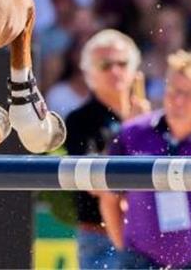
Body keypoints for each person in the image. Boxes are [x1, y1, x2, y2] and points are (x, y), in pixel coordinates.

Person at [101, 51, 191, 268]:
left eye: (188, 93)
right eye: (173, 90)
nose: (178, 100)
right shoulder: (132, 133)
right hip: (139, 259)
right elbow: (109, 198)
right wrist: (123, 248)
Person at [64, 29, 151, 270]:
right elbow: (93, 180)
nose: (115, 71)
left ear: (135, 69)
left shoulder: (149, 118)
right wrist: (132, 131)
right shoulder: (79, 120)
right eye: (105, 64)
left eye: (122, 63)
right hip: (100, 236)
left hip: (151, 235)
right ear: (88, 73)